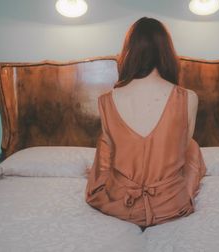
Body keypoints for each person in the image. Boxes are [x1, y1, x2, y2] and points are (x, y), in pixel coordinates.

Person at [85, 17, 206, 230]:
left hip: (122, 203)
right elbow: (181, 148)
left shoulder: (106, 100)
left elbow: (110, 155)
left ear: (129, 52)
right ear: (167, 52)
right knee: (192, 148)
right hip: (171, 205)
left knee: (107, 146)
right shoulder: (189, 98)